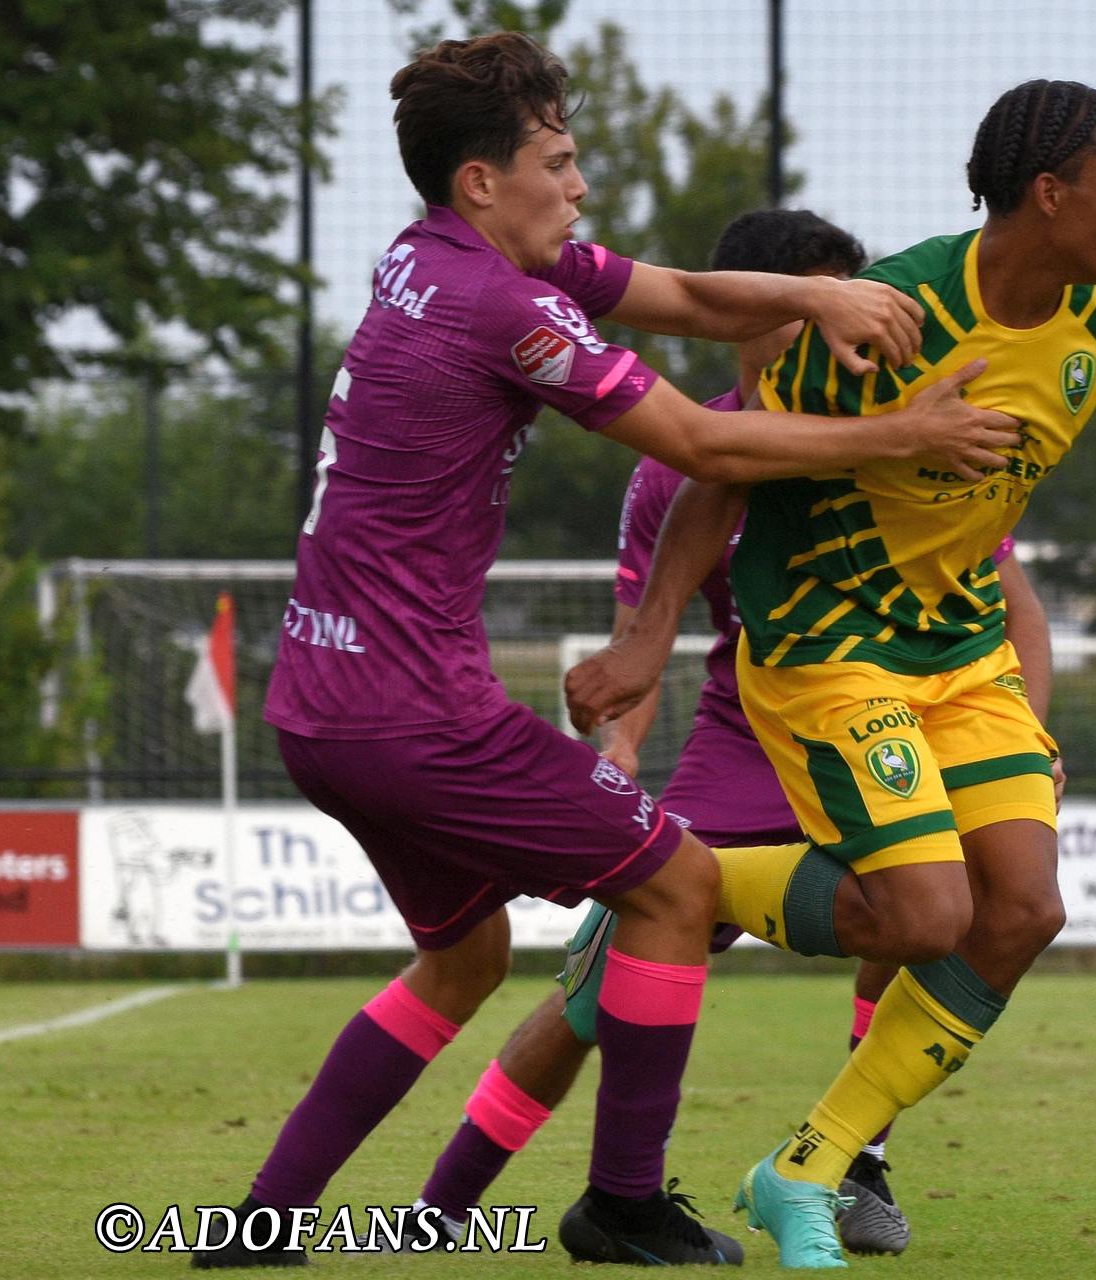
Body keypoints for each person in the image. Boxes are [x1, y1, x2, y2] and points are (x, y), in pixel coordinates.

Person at [190, 33, 1018, 1270]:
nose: (578, 185)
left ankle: (263, 1222)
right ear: (483, 179)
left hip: (320, 700)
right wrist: (907, 431)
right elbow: (704, 444)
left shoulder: (431, 260)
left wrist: (811, 292)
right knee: (676, 887)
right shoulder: (505, 305)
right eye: (559, 161)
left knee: (465, 954)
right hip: (417, 715)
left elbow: (679, 296)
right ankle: (622, 1200)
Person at [565, 78, 1096, 1267]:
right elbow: (723, 465)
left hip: (959, 650)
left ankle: (805, 1168)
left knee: (1025, 907)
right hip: (828, 645)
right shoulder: (896, 317)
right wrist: (647, 638)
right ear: (1049, 194)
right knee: (929, 914)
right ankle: (689, 879)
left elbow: (989, 517)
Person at [409, 207, 1058, 1262]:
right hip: (747, 730)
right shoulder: (680, 452)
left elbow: (1007, 595)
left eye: (857, 313)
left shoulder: (909, 422)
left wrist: (1024, 729)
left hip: (900, 707)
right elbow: (642, 629)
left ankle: (852, 1165)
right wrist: (618, 743)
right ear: (743, 316)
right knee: (593, 990)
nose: (839, 338)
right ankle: (443, 1203)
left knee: (943, 905)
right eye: (809, 313)